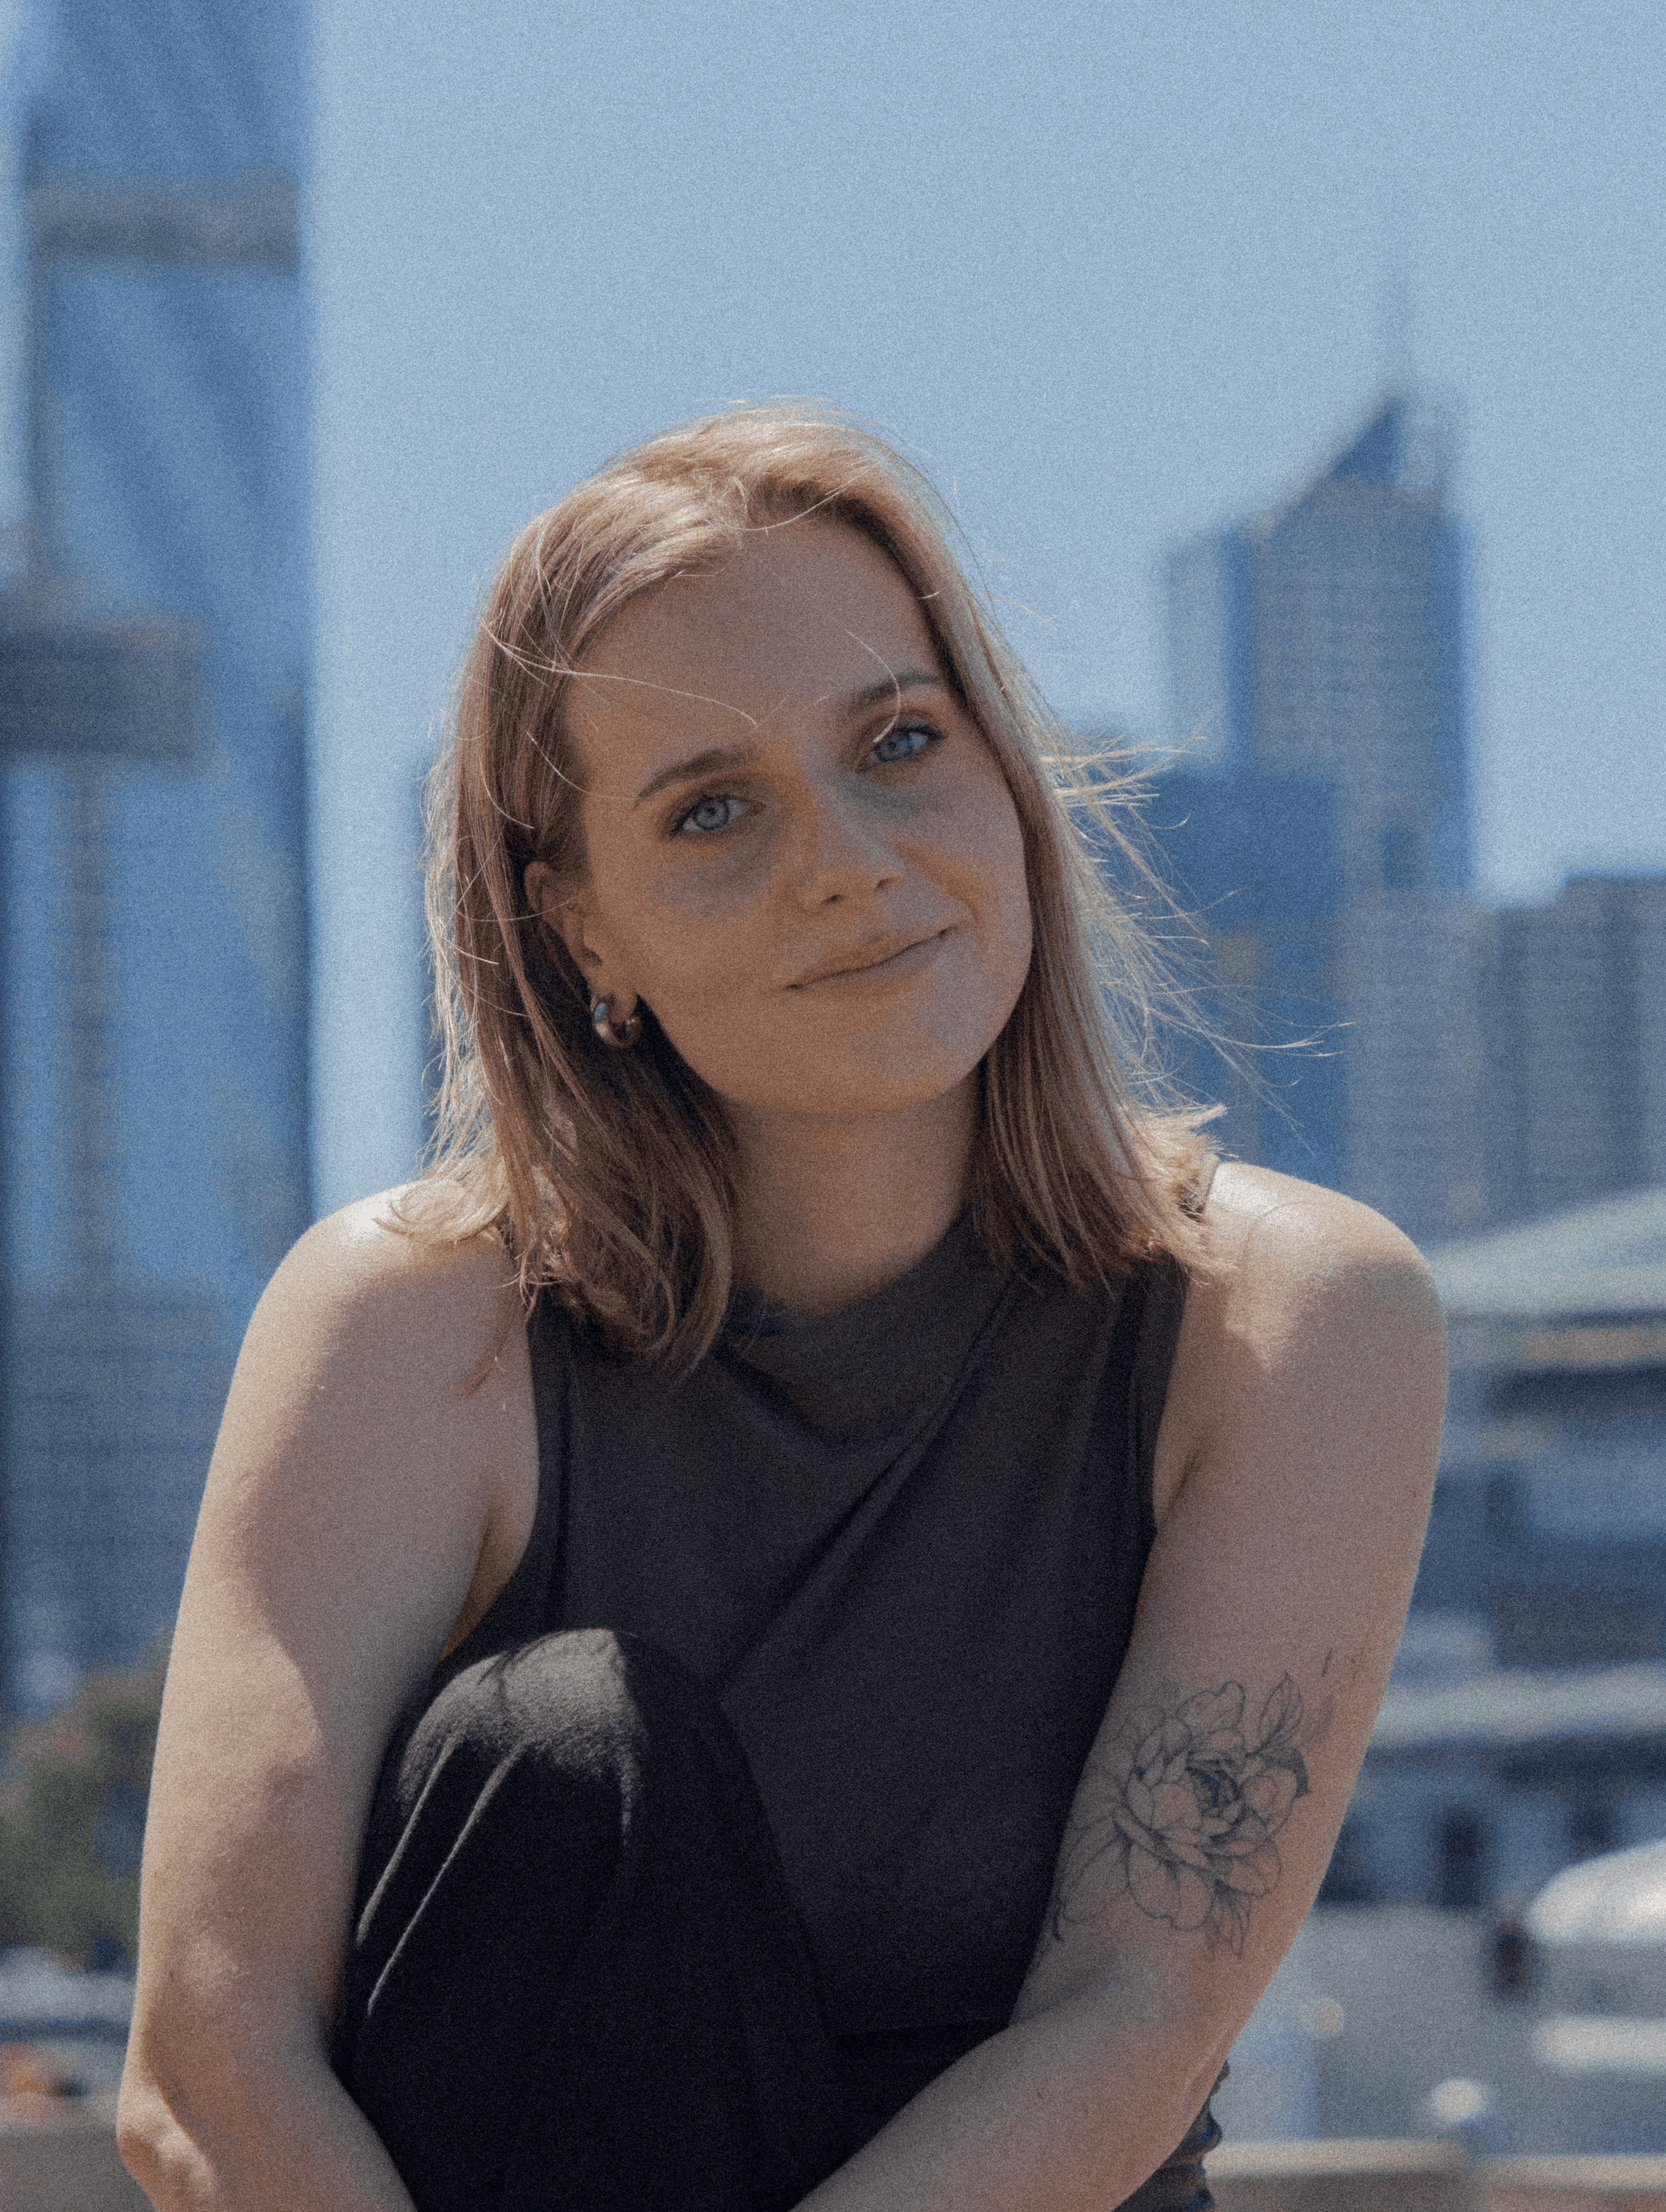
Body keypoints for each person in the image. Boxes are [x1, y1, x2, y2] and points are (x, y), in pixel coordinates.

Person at [117, 405, 1446, 2212]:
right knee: (561, 1751)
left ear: (1007, 777)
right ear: (583, 927)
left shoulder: (1290, 1322)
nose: (847, 857)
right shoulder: (418, 1327)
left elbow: (1136, 2018)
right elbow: (210, 2068)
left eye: (900, 740)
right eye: (714, 808)